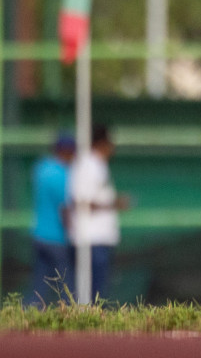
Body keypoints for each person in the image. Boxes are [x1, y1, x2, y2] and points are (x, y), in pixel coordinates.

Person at [70, 123, 127, 301]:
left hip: (99, 238)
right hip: (92, 239)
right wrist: (114, 204)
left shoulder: (97, 165)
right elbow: (81, 201)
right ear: (102, 143)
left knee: (99, 291)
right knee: (93, 293)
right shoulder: (89, 164)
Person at [26, 132, 75, 307]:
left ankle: (29, 311)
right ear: (67, 151)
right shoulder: (61, 174)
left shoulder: (41, 168)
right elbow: (64, 208)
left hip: (38, 234)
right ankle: (71, 313)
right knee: (66, 284)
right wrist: (72, 231)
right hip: (56, 237)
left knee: (39, 282)